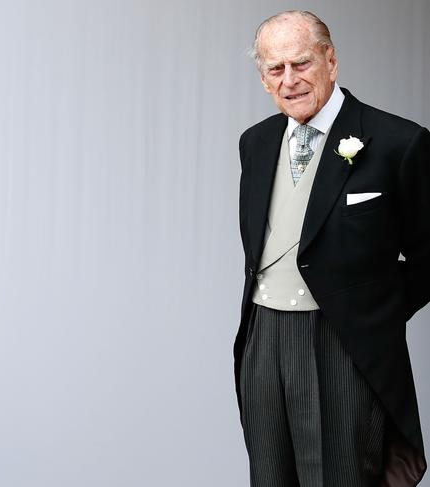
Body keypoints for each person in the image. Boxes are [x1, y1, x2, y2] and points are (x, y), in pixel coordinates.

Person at [236, 10, 430, 486]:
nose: (290, 80)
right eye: (275, 69)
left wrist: (370, 311)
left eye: (301, 63)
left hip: (342, 344)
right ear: (263, 79)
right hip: (263, 339)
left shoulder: (398, 142)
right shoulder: (255, 143)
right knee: (268, 476)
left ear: (331, 61)